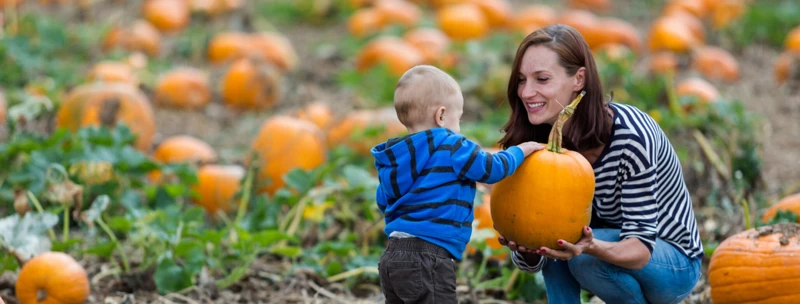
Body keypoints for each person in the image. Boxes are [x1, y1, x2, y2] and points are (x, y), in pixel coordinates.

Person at [496, 24, 704, 304]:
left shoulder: (632, 136)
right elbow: (536, 252)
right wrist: (528, 248)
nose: (526, 92)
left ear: (579, 79)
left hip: (670, 261)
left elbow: (640, 249)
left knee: (580, 257)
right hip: (598, 248)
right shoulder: (536, 143)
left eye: (542, 79)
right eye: (521, 80)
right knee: (557, 241)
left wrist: (590, 246)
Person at [371, 65, 543, 303]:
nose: (458, 126)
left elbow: (383, 201)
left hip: (393, 256)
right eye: (457, 118)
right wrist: (518, 152)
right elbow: (489, 168)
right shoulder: (452, 145)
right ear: (441, 116)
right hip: (429, 255)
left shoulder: (394, 157)